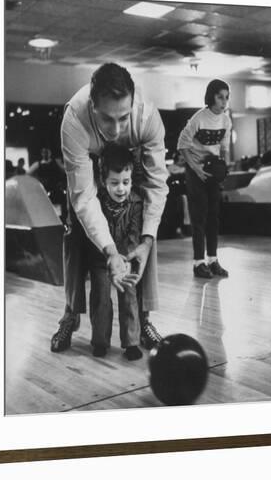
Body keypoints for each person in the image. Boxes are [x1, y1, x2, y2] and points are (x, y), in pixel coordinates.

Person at [50, 63, 169, 352]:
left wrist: (146, 240)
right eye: (107, 119)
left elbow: (156, 184)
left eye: (123, 118)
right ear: (93, 106)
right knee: (76, 231)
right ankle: (70, 315)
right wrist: (111, 252)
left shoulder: (148, 117)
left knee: (144, 233)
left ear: (133, 104)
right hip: (92, 175)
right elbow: (84, 198)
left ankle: (143, 320)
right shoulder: (74, 120)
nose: (115, 130)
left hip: (127, 169)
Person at [87, 143, 144, 361]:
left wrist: (126, 259)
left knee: (129, 295)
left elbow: (134, 233)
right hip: (101, 259)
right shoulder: (96, 202)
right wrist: (108, 257)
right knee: (101, 297)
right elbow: (93, 231)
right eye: (115, 183)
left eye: (126, 183)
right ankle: (100, 341)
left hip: (126, 259)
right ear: (103, 182)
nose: (121, 189)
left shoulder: (136, 203)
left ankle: (131, 342)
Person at [177, 79, 232, 279]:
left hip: (212, 170)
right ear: (211, 97)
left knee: (214, 217)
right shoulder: (198, 118)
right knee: (198, 217)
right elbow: (182, 145)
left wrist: (223, 171)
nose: (224, 102)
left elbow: (224, 149)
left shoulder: (226, 121)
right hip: (195, 170)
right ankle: (198, 263)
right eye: (220, 97)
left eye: (226, 97)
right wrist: (196, 170)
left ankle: (213, 260)